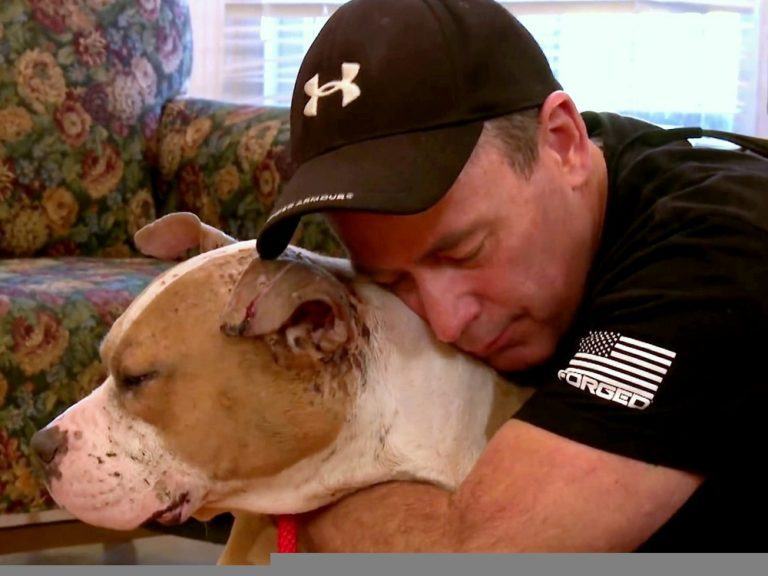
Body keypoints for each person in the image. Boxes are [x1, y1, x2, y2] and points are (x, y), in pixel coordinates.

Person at [255, 0, 768, 552]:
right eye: (394, 281)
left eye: (465, 252)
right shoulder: (581, 173)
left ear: (565, 142)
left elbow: (468, 551)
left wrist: (283, 480)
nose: (448, 324)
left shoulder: (715, 249)